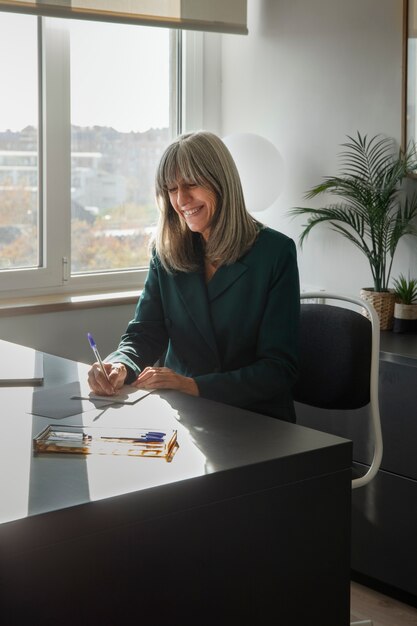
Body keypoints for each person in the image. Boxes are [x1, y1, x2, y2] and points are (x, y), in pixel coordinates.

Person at [87, 131, 300, 422]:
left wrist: (193, 385)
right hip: (182, 413)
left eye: (191, 185)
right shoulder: (166, 251)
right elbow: (144, 333)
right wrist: (120, 364)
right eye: (171, 189)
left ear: (221, 183)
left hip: (255, 419)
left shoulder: (275, 253)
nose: (181, 199)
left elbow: (278, 369)